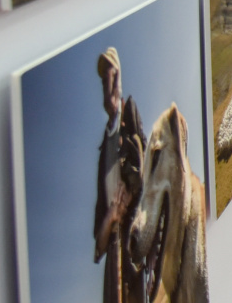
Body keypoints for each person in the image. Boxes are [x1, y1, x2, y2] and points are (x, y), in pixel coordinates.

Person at [94, 48, 147, 303]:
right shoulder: (105, 153)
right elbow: (98, 248)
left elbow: (150, 180)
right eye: (104, 79)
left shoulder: (136, 138)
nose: (109, 86)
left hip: (139, 258)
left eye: (112, 77)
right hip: (115, 274)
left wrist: (132, 200)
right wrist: (111, 217)